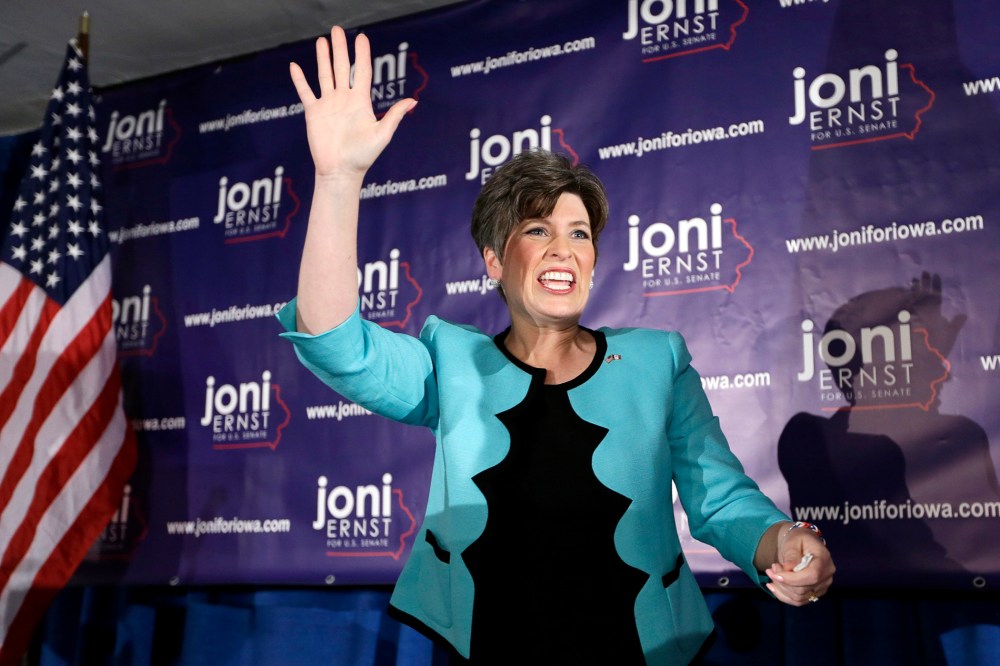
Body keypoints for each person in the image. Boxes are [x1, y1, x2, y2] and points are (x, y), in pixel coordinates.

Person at [278, 26, 834, 665]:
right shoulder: (452, 363)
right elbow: (333, 342)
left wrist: (788, 541)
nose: (563, 248)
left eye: (579, 232)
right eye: (537, 229)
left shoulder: (658, 362)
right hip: (486, 649)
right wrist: (338, 178)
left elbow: (721, 498)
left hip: (639, 650)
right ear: (493, 260)